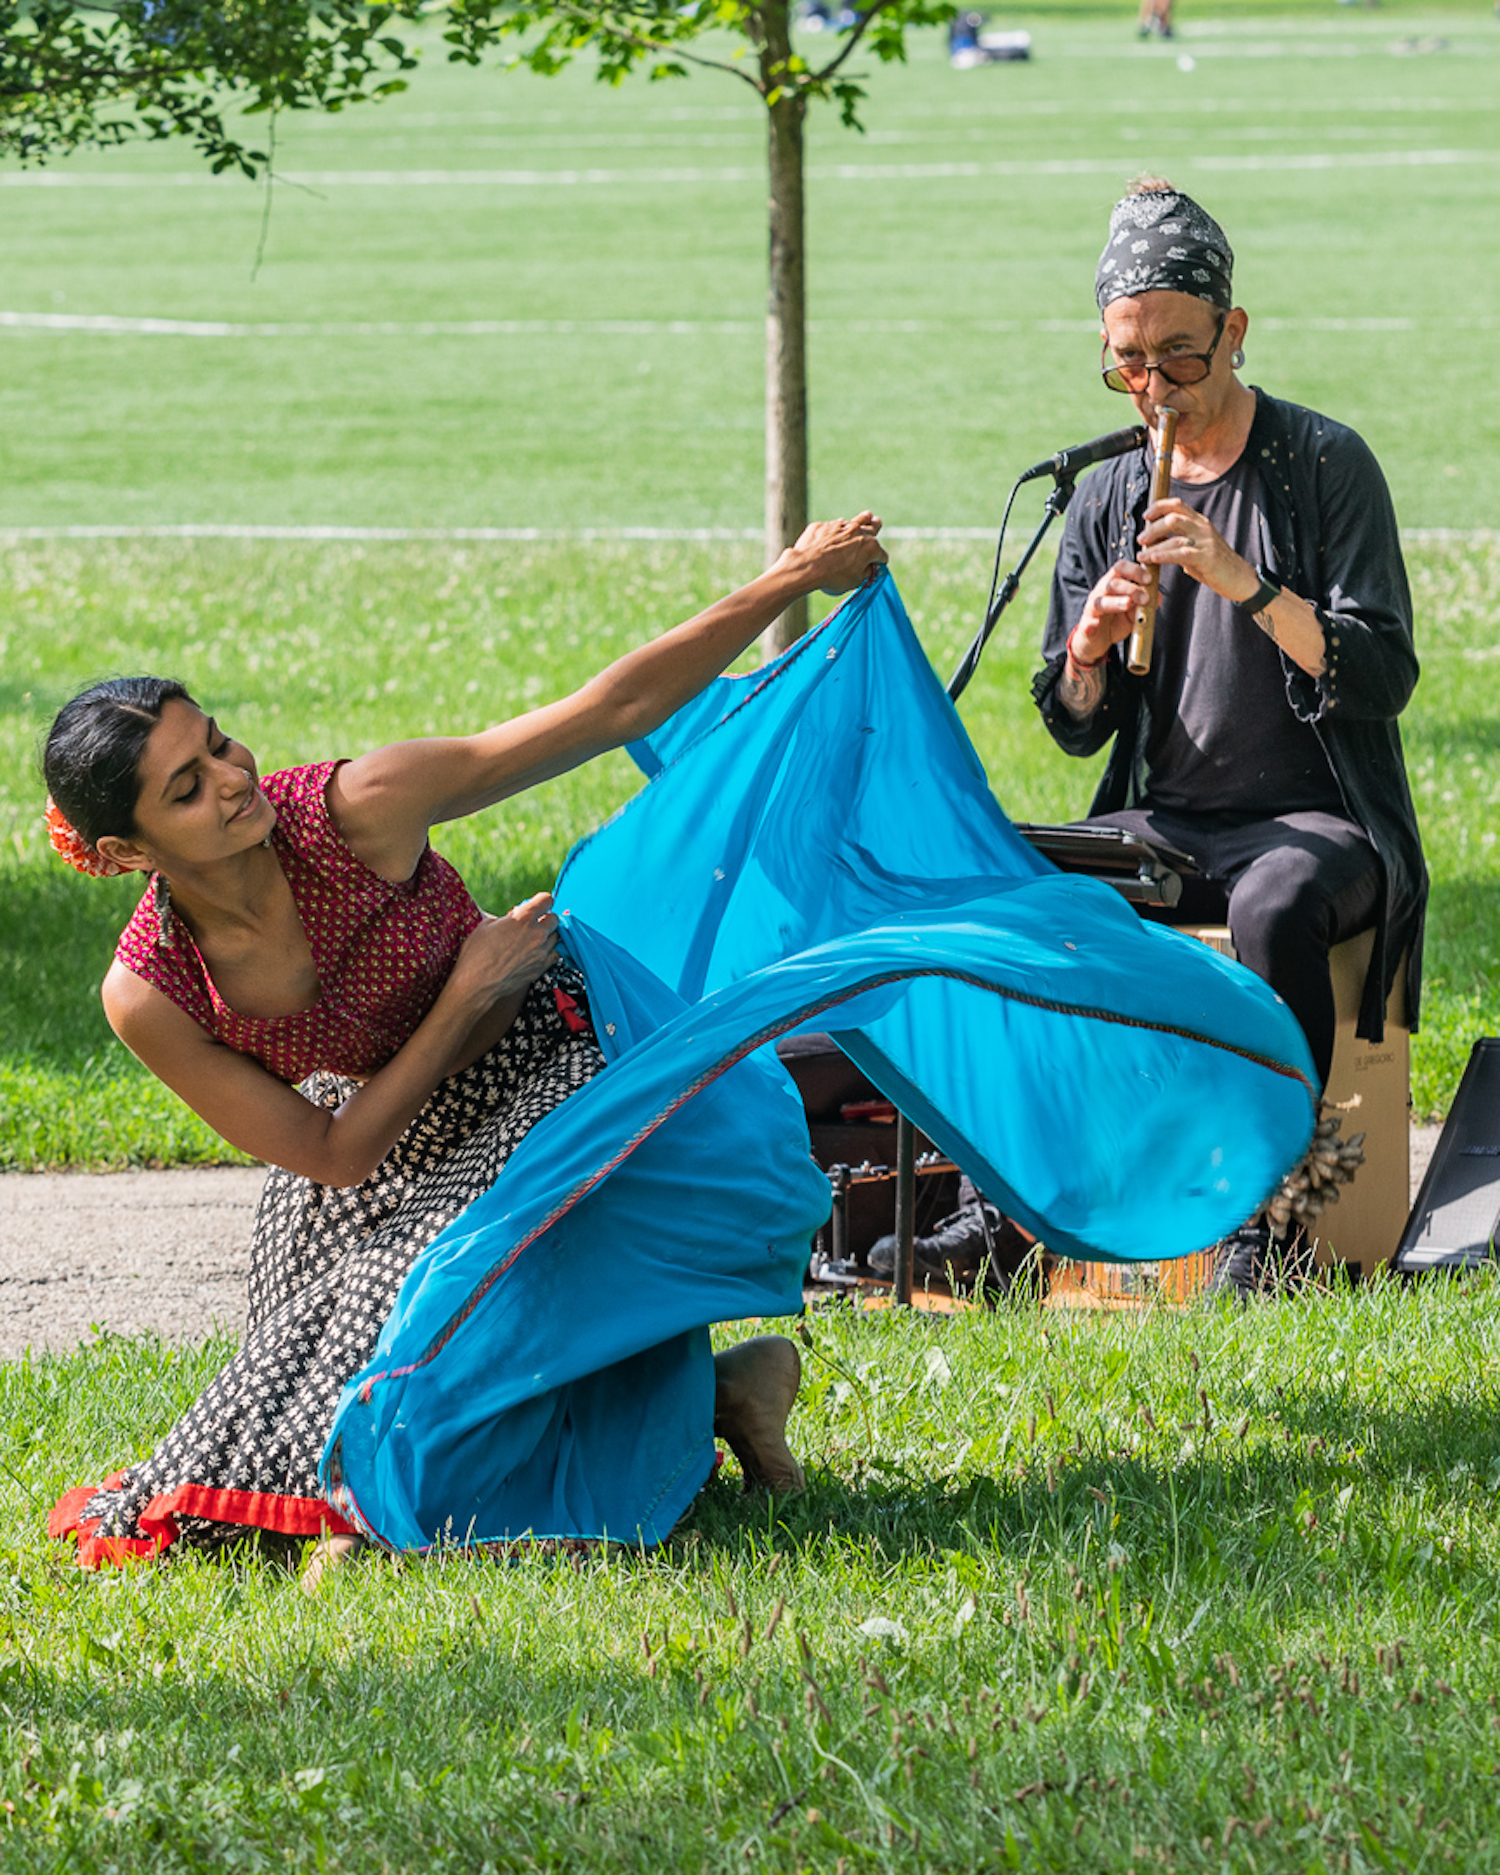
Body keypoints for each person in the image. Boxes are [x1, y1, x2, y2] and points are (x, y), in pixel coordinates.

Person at [43, 514, 887, 1576]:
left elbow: (606, 710)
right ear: (126, 852)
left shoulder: (357, 809)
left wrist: (791, 578)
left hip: (554, 1051)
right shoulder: (150, 993)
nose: (230, 776)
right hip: (385, 1120)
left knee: (419, 1295)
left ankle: (371, 1514)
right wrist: (461, 994)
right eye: (186, 787)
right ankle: (724, 1392)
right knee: (311, 1338)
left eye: (215, 742)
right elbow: (333, 1154)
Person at [1031, 177, 1426, 1294]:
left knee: (1276, 902)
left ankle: (1271, 1216)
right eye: (1129, 363)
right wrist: (1087, 653)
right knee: (1030, 883)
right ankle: (1023, 1200)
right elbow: (1073, 729)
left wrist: (1246, 584)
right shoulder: (1106, 494)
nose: (1155, 388)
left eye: (1180, 357)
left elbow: (1383, 673)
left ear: (1234, 330)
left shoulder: (1323, 464)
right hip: (1173, 819)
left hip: (1322, 822)